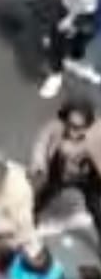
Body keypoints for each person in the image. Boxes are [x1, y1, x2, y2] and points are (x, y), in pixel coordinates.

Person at [31, 97, 101, 253]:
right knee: (44, 195)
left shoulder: (95, 137)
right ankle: (30, 219)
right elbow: (41, 143)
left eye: (78, 127)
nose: (72, 131)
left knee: (97, 209)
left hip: (89, 178)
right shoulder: (56, 127)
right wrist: (39, 163)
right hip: (61, 172)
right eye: (69, 125)